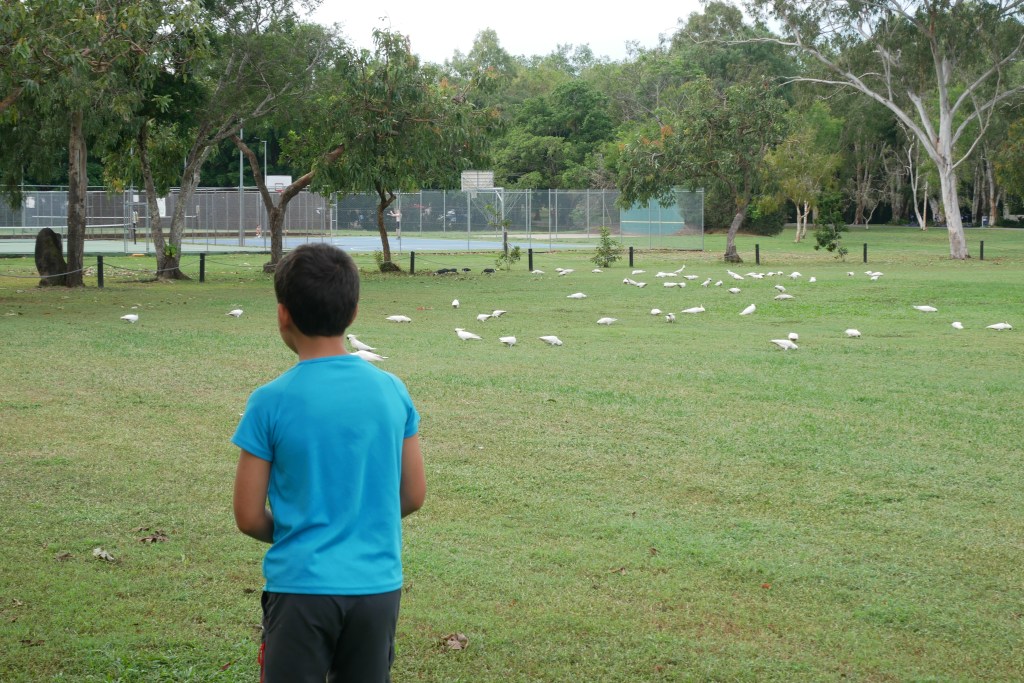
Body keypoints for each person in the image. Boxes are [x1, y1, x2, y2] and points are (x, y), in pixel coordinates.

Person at [232, 243, 426, 682]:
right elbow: (413, 495)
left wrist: (301, 532)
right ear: (354, 312)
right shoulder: (392, 390)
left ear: (283, 314)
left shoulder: (268, 402)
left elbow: (247, 516)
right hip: (377, 588)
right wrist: (358, 521)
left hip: (300, 589)